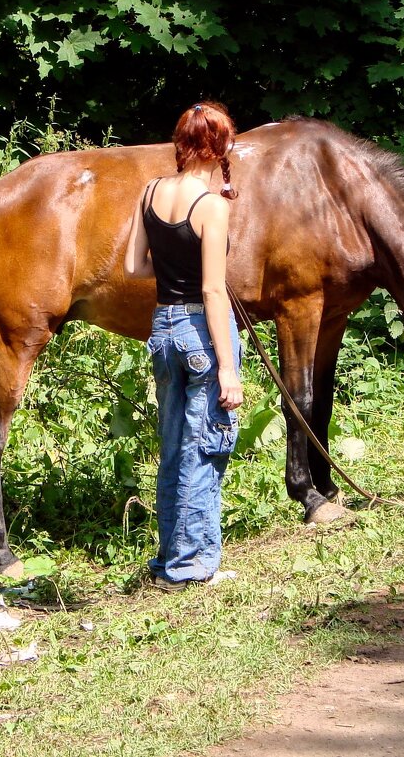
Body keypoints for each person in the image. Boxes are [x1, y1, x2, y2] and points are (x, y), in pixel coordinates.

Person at [124, 100, 244, 590]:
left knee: (175, 448)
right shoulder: (211, 206)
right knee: (206, 446)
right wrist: (228, 370)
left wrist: (172, 270)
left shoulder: (150, 191)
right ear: (218, 147)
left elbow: (135, 268)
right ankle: (189, 567)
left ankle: (172, 558)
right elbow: (214, 291)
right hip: (200, 332)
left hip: (162, 330)